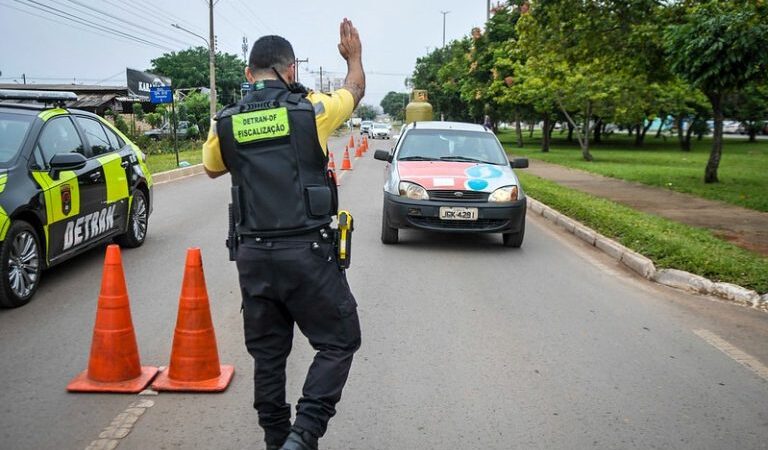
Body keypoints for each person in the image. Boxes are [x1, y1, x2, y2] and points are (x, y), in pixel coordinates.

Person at [202, 19, 365, 450]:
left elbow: (211, 167)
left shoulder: (227, 120)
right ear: (290, 70)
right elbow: (355, 89)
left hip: (253, 255)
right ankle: (303, 433)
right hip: (307, 253)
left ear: (247, 73)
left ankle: (277, 440)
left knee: (269, 356)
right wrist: (354, 58)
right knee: (340, 340)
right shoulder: (313, 109)